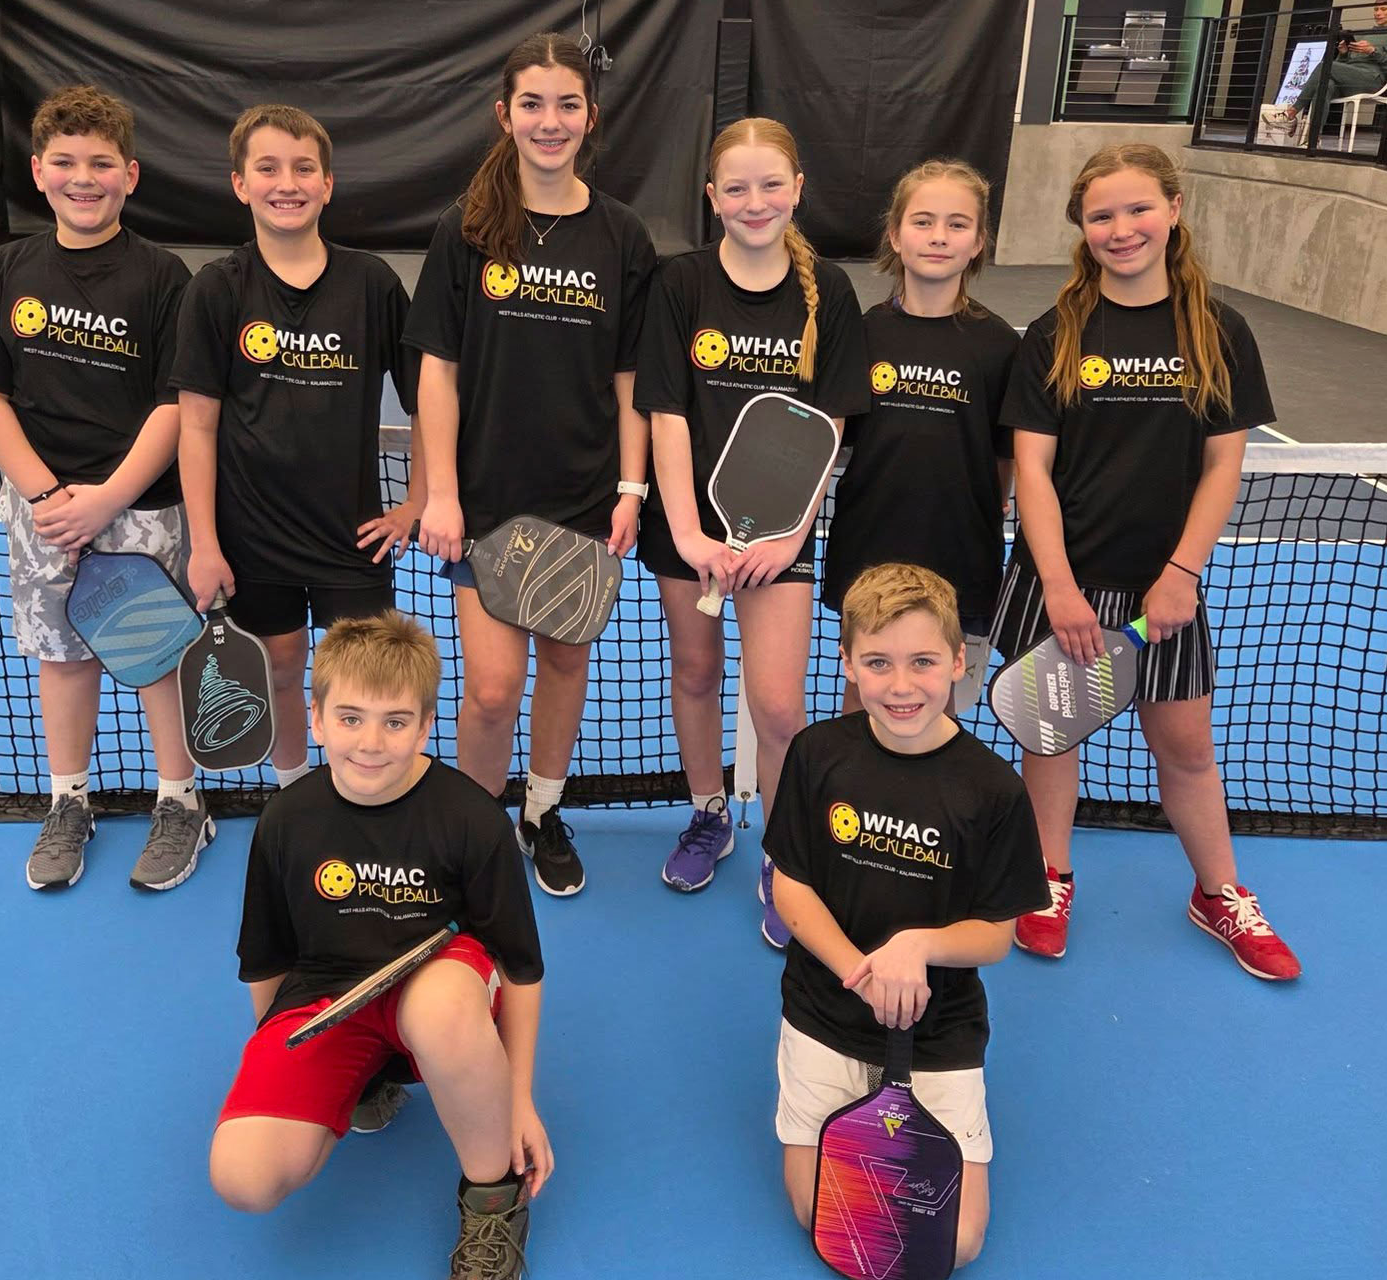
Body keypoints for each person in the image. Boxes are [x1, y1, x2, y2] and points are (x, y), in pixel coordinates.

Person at [996, 142, 1301, 980]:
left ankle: (1219, 894)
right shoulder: (1056, 333)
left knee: (1186, 746)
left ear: (1173, 210)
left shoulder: (1219, 331)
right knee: (1052, 740)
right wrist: (1057, 586)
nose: (1121, 228)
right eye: (1101, 215)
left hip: (1164, 584)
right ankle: (1047, 878)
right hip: (1059, 580)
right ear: (1081, 227)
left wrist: (1181, 575)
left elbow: (1223, 465)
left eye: (1137, 210)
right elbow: (1032, 469)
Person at [210, 611, 548, 1280]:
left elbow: (522, 968)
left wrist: (520, 1098)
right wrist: (296, 1065)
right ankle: (367, 1080)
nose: (371, 742)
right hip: (332, 996)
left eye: (396, 722)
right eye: (351, 718)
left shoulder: (469, 819)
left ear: (426, 727)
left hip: (443, 997)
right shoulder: (286, 821)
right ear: (316, 719)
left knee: (441, 1007)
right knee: (242, 1179)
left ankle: (491, 1196)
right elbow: (268, 960)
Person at [407, 32, 656, 897]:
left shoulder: (623, 235)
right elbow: (436, 370)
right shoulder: (465, 230)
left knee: (564, 665)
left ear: (591, 117)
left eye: (567, 104)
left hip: (583, 496)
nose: (550, 122)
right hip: (484, 502)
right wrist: (441, 492)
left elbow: (632, 378)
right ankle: (478, 832)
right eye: (532, 104)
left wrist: (632, 487)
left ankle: (542, 813)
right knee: (489, 691)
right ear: (504, 115)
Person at [0, 85, 206, 892]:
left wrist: (108, 497)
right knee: (63, 658)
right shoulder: (5, 271)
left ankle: (180, 802)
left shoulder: (166, 278)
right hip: (41, 511)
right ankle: (69, 801)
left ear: (130, 174)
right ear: (38, 172)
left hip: (143, 507)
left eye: (101, 163)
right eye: (65, 162)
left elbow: (177, 402)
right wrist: (44, 495)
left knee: (156, 653)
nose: (83, 177)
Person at [767, 563, 1049, 1269]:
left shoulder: (993, 789)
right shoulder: (816, 754)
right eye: (878, 663)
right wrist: (860, 973)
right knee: (820, 1221)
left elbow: (996, 936)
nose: (901, 686)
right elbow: (791, 889)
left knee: (954, 1244)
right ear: (848, 665)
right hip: (824, 1014)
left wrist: (915, 948)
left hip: (939, 1034)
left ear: (959, 660)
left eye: (923, 662)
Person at [637, 116, 868, 944]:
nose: (755, 200)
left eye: (772, 184)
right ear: (712, 198)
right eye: (735, 187)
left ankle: (783, 852)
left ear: (798, 189)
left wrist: (790, 537)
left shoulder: (829, 292)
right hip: (687, 532)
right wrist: (690, 533)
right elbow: (664, 412)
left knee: (777, 706)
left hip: (783, 539)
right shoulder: (679, 284)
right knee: (695, 673)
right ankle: (708, 817)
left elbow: (831, 423)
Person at [172, 104, 424, 791]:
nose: (288, 183)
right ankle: (294, 796)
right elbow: (194, 426)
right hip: (252, 537)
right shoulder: (217, 290)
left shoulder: (371, 284)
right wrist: (203, 543)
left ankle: (364, 794)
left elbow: (427, 399)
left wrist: (418, 501)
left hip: (354, 539)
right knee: (281, 670)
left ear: (328, 184)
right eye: (269, 168)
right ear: (240, 184)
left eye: (304, 168)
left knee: (364, 683)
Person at [824, 159, 1018, 720]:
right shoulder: (862, 334)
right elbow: (836, 441)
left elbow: (1005, 462)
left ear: (980, 241)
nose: (938, 236)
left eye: (958, 224)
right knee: (864, 704)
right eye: (923, 221)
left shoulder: (1001, 346)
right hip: (869, 553)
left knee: (940, 712)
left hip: (959, 555)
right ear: (894, 234)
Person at [1284, 3, 1387, 121]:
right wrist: (1343, 53)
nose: (1378, 13)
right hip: (1350, 78)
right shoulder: (1364, 34)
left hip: (1372, 79)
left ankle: (1291, 112)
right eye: (1376, 9)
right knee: (1324, 86)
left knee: (1325, 65)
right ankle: (1313, 137)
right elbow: (1345, 64)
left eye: (1383, 9)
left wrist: (1373, 51)